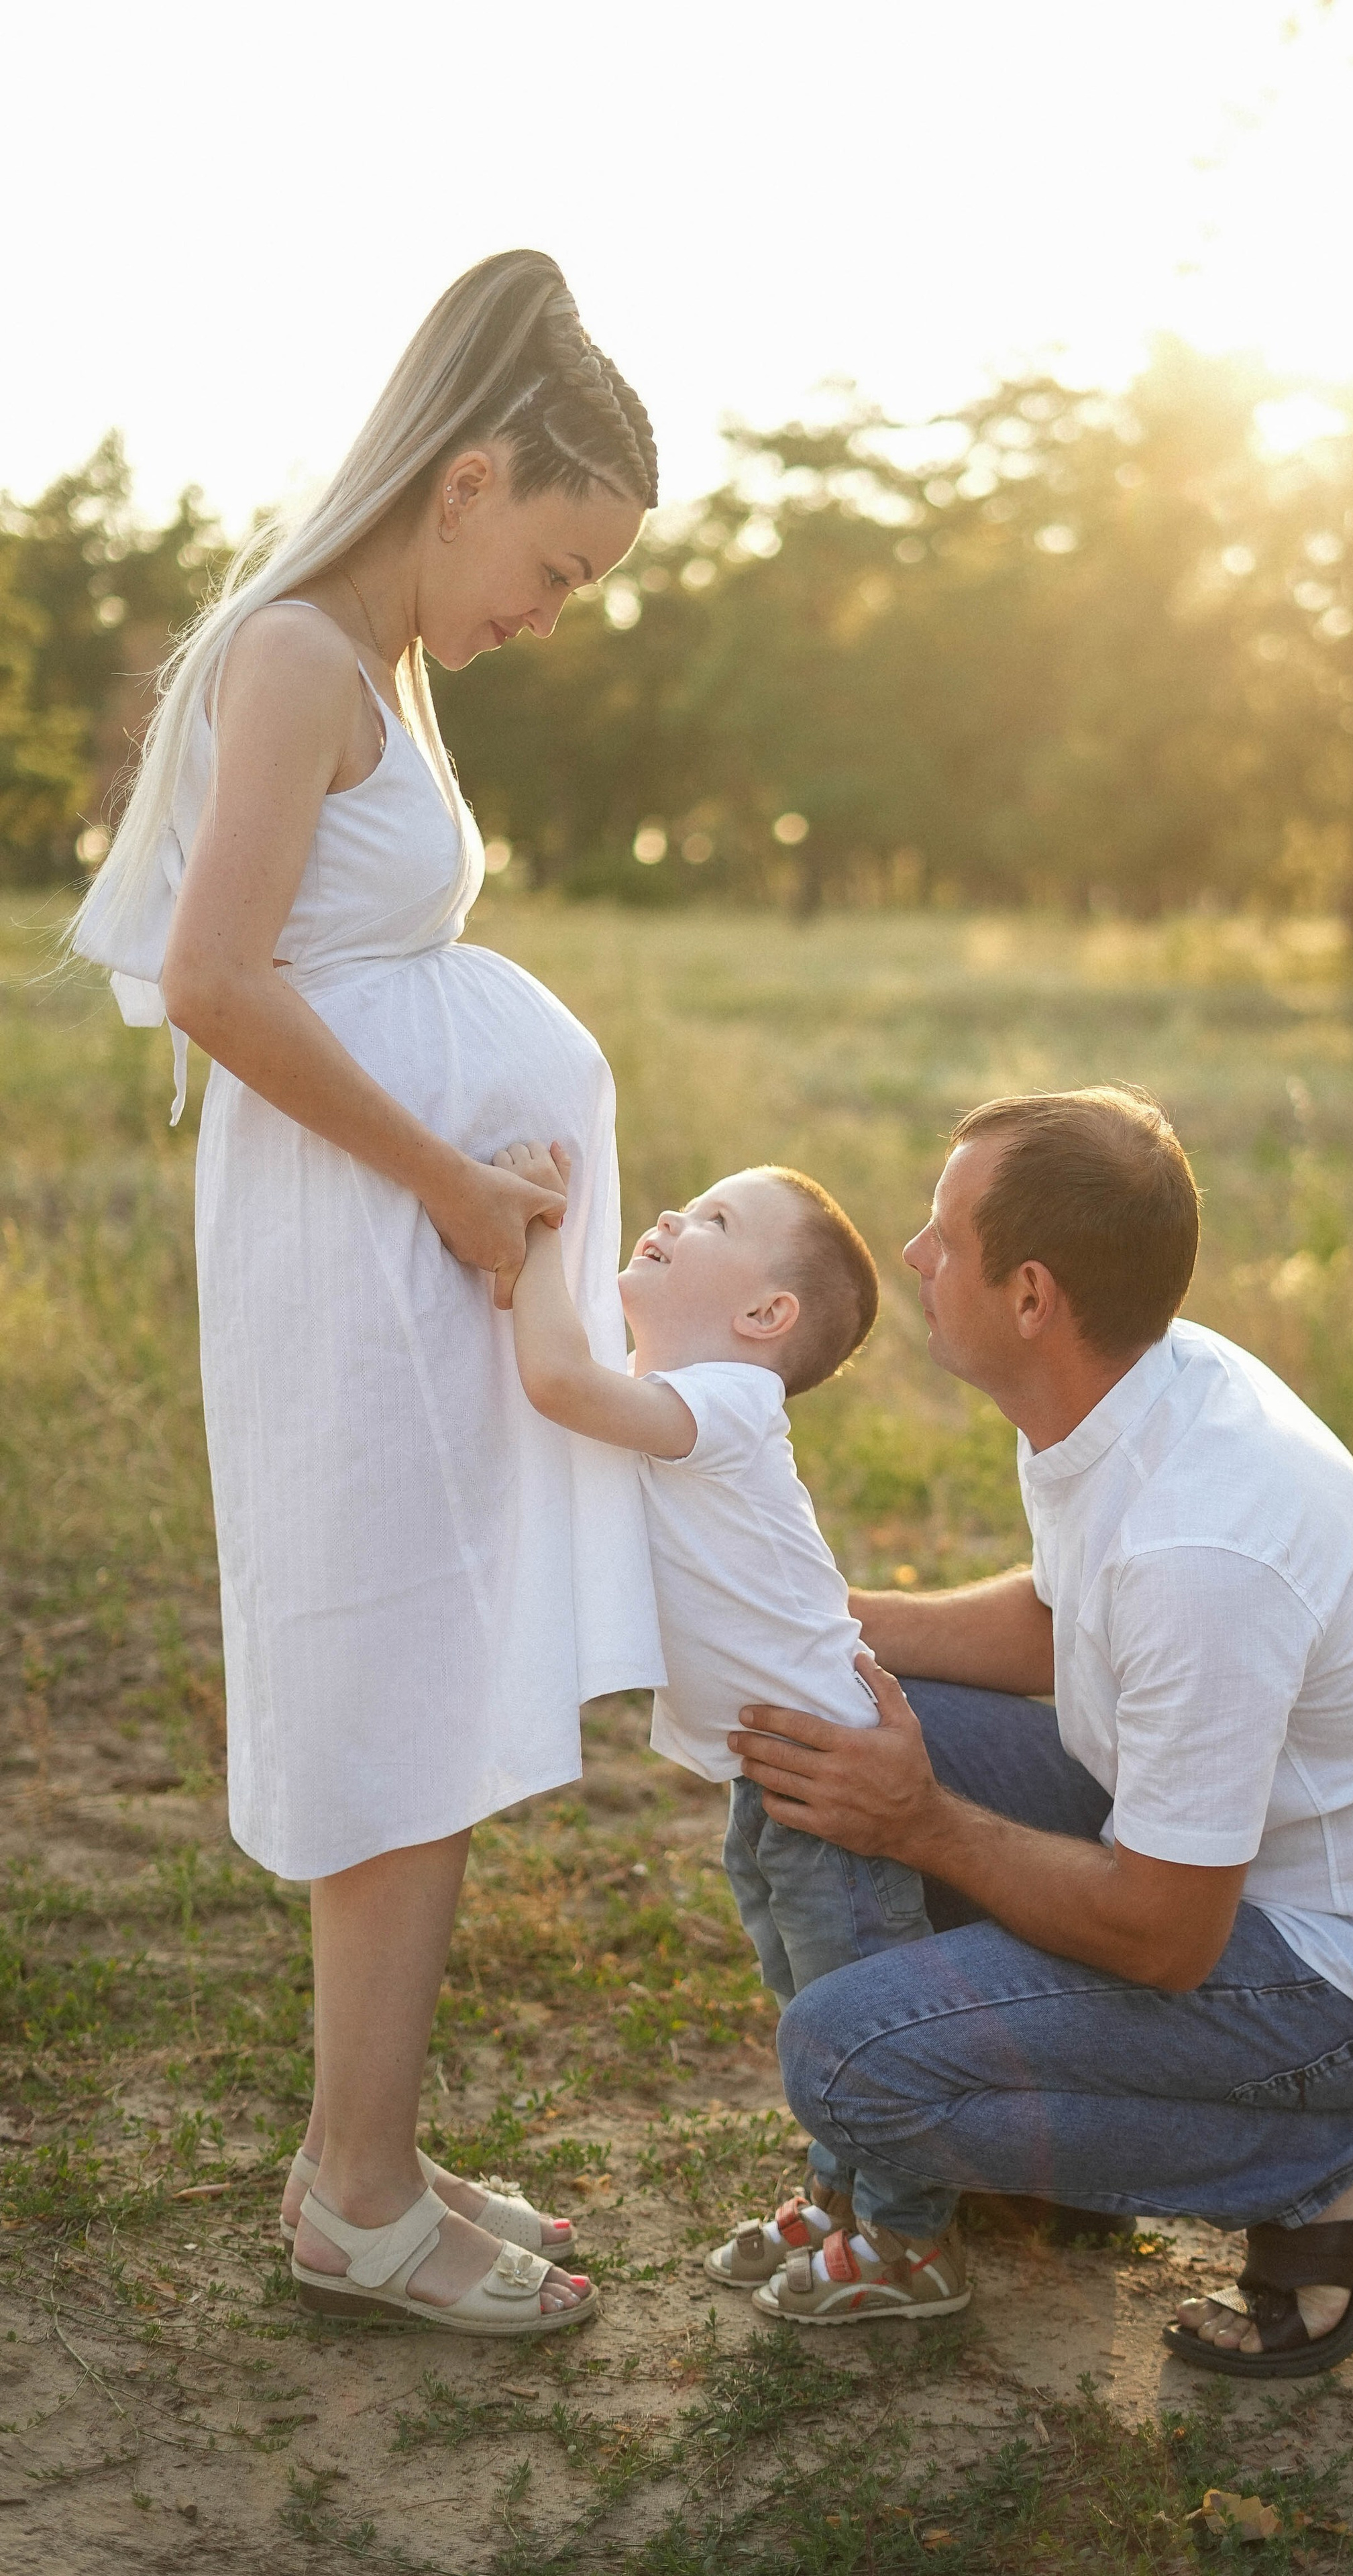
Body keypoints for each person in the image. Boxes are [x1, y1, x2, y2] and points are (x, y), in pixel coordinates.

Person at [71, 252, 667, 2337]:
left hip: (401, 1246)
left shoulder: (371, 658)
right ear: (472, 472)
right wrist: (450, 1187)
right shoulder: (305, 656)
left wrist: (476, 1183)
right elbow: (223, 982)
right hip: (360, 1251)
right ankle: (355, 2195)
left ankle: (371, 2160)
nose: (550, 613)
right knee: (390, 1698)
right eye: (559, 563)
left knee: (416, 1687)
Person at [726, 1085, 1353, 2373]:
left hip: (1335, 1973)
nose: (913, 1255)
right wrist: (824, 1626)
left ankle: (1334, 2171)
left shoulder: (1204, 1547)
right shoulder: (1138, 1387)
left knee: (848, 2060)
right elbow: (1062, 1620)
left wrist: (922, 1821)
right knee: (821, 1732)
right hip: (1206, 1864)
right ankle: (904, 2190)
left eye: (942, 1232)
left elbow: (1166, 1934)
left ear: (1031, 1296)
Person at [496, 1143, 969, 2322]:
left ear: (767, 1313)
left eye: (710, 1219)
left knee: (858, 2008)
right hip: (775, 1779)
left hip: (833, 1781)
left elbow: (557, 1381)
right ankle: (844, 2192)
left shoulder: (730, 1402)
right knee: (809, 2005)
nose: (667, 1214)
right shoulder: (683, 1404)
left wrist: (536, 1230)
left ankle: (911, 2242)